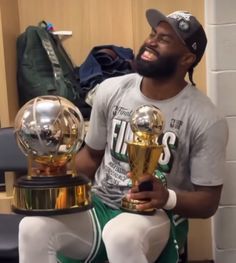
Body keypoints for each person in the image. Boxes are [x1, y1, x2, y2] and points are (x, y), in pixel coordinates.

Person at [18, 8, 228, 263]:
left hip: (158, 215)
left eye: (165, 39)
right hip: (100, 205)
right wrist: (57, 172)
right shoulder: (111, 90)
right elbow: (92, 157)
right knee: (32, 227)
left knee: (120, 235)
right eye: (153, 33)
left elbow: (208, 202)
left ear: (186, 59)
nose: (151, 41)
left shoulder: (206, 117)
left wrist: (167, 197)